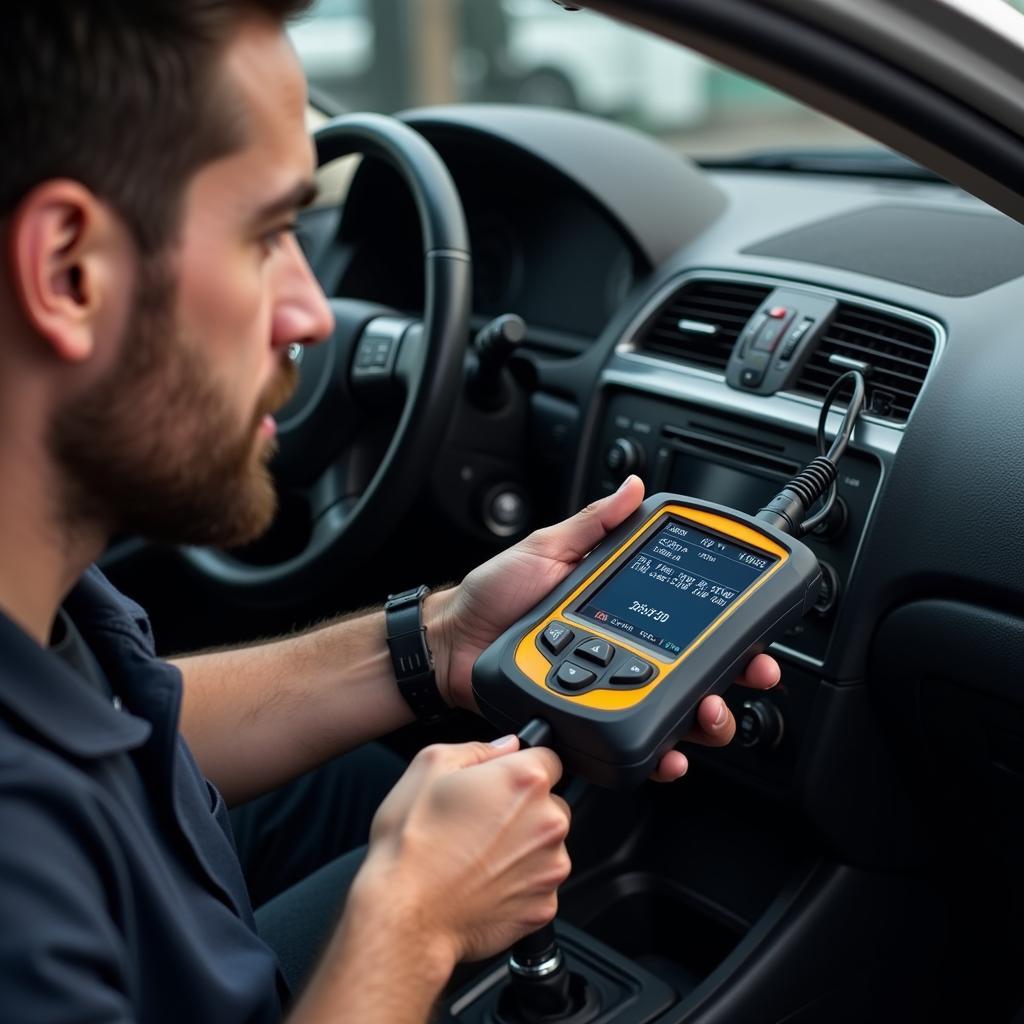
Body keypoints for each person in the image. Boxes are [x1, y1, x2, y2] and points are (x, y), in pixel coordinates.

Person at [0, 2, 782, 1022]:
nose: (313, 314)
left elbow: (130, 720)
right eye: (269, 234)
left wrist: (433, 641)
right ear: (69, 270)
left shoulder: (46, 602)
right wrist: (411, 925)